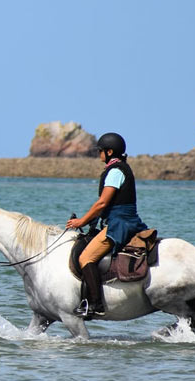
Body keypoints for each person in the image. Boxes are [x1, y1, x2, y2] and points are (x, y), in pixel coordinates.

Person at [65, 132, 148, 318]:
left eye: (101, 151)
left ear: (109, 151)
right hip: (119, 220)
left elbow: (102, 203)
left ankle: (95, 304)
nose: (99, 154)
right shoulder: (119, 168)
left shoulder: (115, 171)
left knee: (86, 257)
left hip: (120, 224)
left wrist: (82, 221)